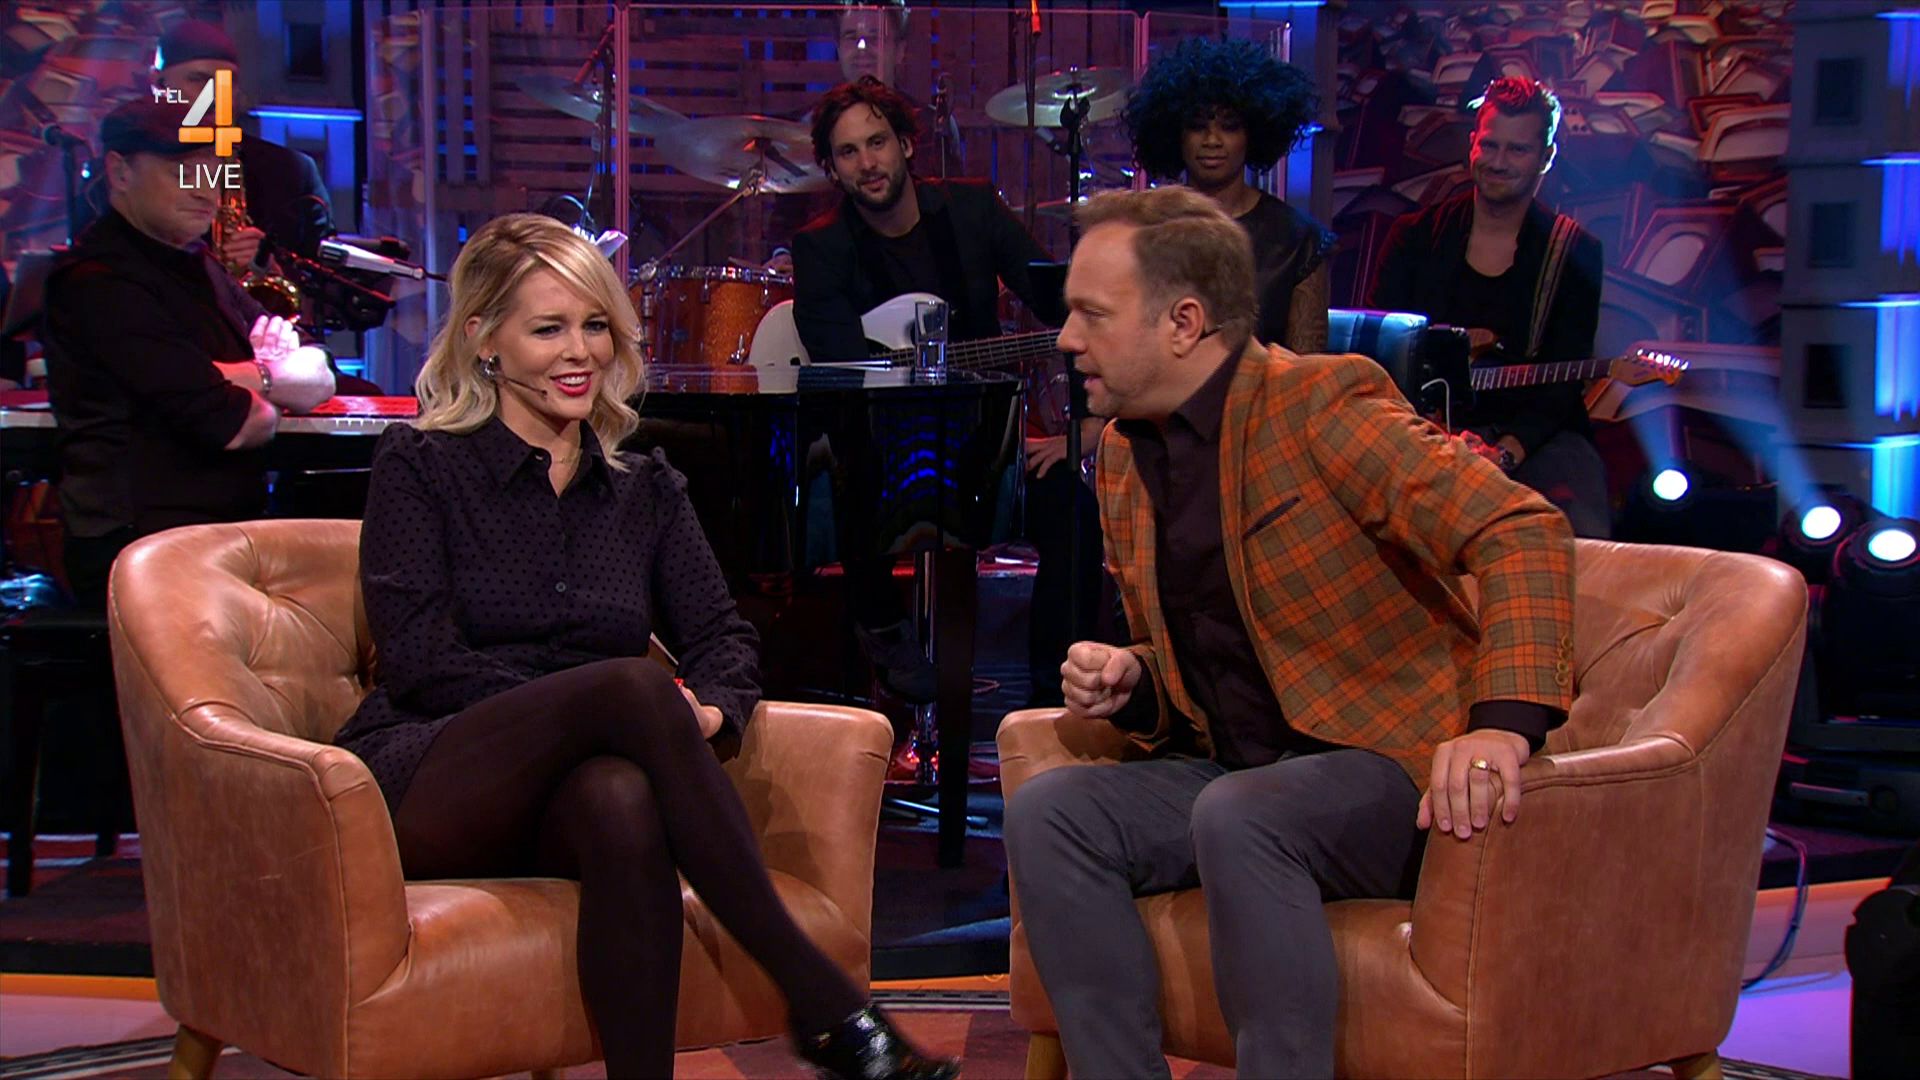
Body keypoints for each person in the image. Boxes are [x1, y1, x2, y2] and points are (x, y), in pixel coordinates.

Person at [329, 214, 955, 1080]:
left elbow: (722, 638)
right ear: (483, 339)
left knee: (620, 800)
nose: (579, 351)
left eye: (595, 324)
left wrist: (710, 712)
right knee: (626, 689)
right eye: (547, 329)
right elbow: (420, 659)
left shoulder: (645, 489)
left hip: (574, 787)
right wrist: (590, 712)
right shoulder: (421, 466)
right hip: (434, 774)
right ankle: (821, 999)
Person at [1002, 187, 1576, 1078]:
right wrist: (1136, 680)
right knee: (1054, 811)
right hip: (1242, 768)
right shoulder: (1120, 454)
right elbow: (1215, 649)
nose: (1067, 339)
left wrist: (1502, 724)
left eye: (1092, 314)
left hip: (1389, 765)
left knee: (1244, 815)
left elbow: (1520, 529)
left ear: (1184, 322)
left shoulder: (1317, 404)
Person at [794, 76, 1102, 707]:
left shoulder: (972, 211)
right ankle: (882, 627)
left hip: (985, 444)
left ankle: (1056, 695)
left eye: (877, 142)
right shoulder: (821, 247)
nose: (867, 163)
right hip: (880, 451)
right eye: (848, 152)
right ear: (832, 167)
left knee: (1072, 509)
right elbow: (842, 368)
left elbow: (1063, 305)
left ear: (906, 144)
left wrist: (1087, 427)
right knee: (843, 462)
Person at [43, 97, 334, 608]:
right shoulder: (98, 281)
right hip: (142, 545)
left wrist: (243, 375)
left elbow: (320, 374)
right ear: (121, 172)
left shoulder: (199, 265)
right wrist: (272, 378)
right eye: (182, 171)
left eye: (212, 172)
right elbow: (243, 424)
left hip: (217, 535)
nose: (206, 190)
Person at [1370, 76, 1611, 538]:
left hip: (1535, 434)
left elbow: (1564, 382)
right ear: (1472, 145)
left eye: (1517, 150)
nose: (1499, 162)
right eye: (1490, 145)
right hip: (1420, 425)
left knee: (1578, 531)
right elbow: (1380, 355)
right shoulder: (1414, 237)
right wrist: (1432, 432)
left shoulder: (1574, 252)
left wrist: (1505, 452)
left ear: (1546, 157)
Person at [1123, 38, 1333, 354]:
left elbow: (1306, 370)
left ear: (1253, 135)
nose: (1212, 140)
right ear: (1175, 135)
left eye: (1229, 127)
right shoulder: (1143, 231)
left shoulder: (1299, 241)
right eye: (1197, 127)